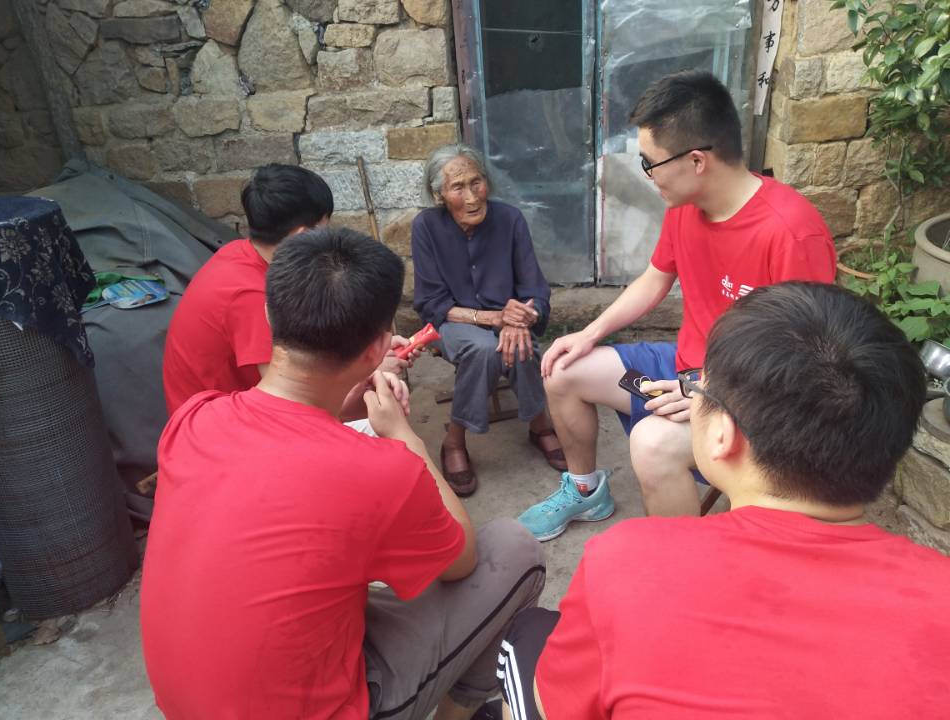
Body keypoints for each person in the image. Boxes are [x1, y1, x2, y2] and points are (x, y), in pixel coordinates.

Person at [141, 227, 546, 720]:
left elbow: (287, 463)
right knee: (514, 548)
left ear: (269, 314)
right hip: (327, 709)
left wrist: (340, 404)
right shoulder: (381, 470)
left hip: (190, 704)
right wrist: (404, 436)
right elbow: (460, 561)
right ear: (379, 349)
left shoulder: (194, 419)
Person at [496, 281, 950, 720]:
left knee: (527, 635)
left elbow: (559, 707)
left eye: (697, 389)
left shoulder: (624, 562)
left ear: (723, 434)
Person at [519, 70, 837, 540]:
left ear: (696, 160)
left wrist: (709, 391)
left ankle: (687, 563)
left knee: (651, 443)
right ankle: (586, 491)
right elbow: (654, 280)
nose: (646, 175)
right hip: (681, 373)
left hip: (752, 398)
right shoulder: (684, 206)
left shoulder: (791, 233)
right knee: (562, 368)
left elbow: (805, 359)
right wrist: (589, 333)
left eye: (649, 163)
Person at [162, 163, 412, 417]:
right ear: (302, 235)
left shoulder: (241, 253)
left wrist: (363, 352)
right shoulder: (251, 297)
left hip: (215, 410)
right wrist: (368, 370)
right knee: (379, 413)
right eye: (325, 228)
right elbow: (293, 407)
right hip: (221, 426)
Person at [412, 144, 565, 497]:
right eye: (458, 187)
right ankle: (455, 440)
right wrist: (494, 317)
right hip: (453, 322)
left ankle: (539, 426)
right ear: (439, 195)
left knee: (520, 343)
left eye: (476, 182)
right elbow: (432, 302)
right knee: (482, 350)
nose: (471, 196)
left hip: (509, 321)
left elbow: (535, 290)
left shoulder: (510, 219)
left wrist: (518, 319)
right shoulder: (426, 227)